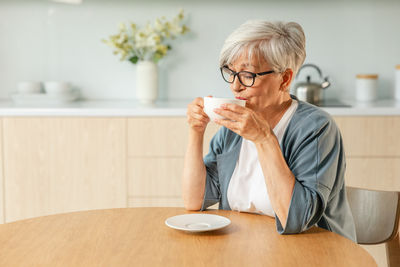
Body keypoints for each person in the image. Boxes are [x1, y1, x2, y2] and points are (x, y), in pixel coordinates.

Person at [182, 20, 356, 241]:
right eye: (230, 72)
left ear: (284, 79)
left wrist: (264, 139)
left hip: (313, 251)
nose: (235, 86)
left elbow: (297, 219)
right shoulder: (233, 129)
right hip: (242, 248)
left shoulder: (316, 128)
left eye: (248, 75)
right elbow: (193, 201)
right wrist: (196, 132)